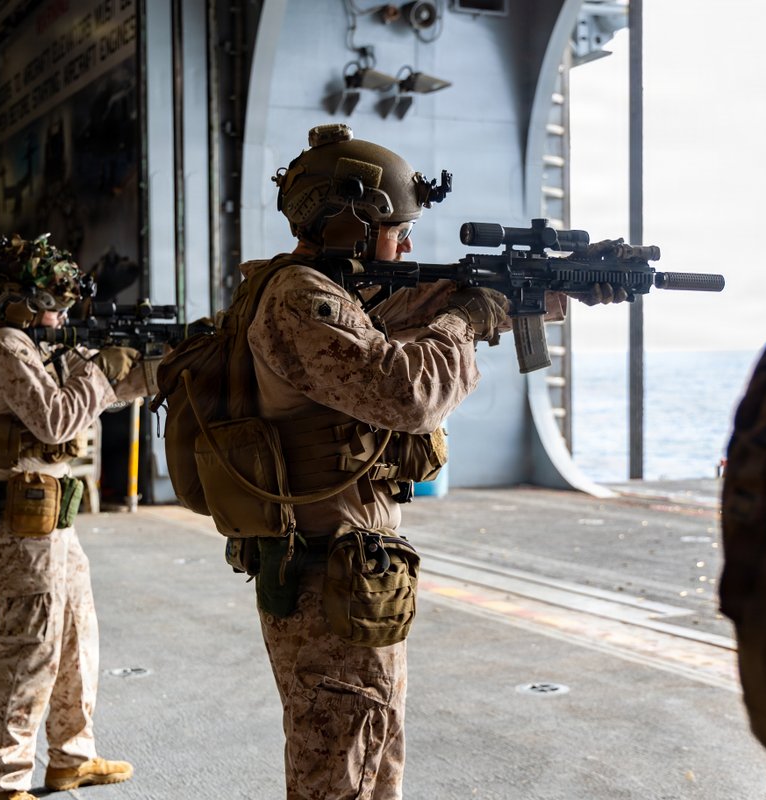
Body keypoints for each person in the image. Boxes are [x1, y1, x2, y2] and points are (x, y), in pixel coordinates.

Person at [219, 123, 621, 798]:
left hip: (346, 574)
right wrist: (466, 318)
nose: (407, 244)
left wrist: (557, 288)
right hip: (326, 581)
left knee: (372, 759)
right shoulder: (301, 301)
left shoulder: (328, 293)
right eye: (397, 228)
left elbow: (416, 307)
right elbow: (407, 392)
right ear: (348, 222)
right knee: (341, 773)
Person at [0, 234, 157, 800]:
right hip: (20, 525)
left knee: (75, 639)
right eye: (55, 301)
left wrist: (145, 369)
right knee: (29, 648)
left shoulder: (38, 345)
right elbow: (54, 419)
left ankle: (72, 757)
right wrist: (100, 372)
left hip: (52, 522)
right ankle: (6, 779)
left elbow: (97, 398)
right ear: (20, 299)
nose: (63, 313)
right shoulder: (5, 346)